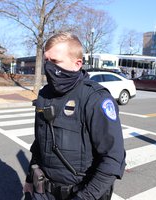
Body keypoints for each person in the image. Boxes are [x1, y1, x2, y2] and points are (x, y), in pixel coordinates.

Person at [23, 32, 126, 200]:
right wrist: (29, 178)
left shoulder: (95, 98)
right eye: (46, 61)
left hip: (82, 194)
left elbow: (113, 159)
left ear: (77, 64)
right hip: (44, 192)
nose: (49, 68)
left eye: (55, 62)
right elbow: (39, 145)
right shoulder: (45, 95)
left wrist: (83, 198)